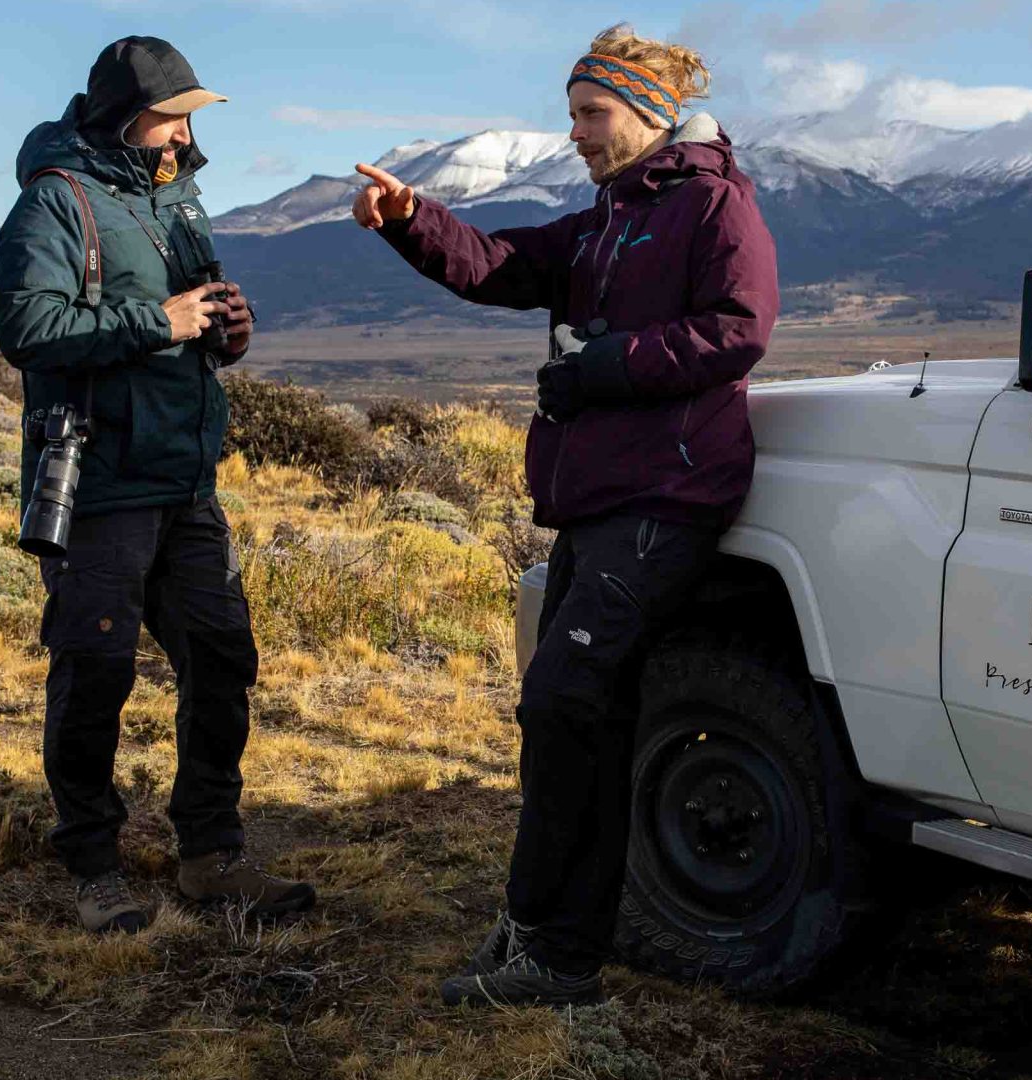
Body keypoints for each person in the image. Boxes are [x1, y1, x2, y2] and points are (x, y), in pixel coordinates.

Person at [352, 24, 778, 1006]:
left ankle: (556, 951)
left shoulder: (712, 206)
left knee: (563, 702)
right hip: (599, 503)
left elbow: (738, 327)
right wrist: (413, 217)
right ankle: (549, 939)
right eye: (574, 113)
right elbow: (500, 264)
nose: (577, 132)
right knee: (576, 715)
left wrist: (604, 365)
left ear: (647, 112)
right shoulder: (606, 219)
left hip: (666, 501)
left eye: (592, 113)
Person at [0, 36, 314, 935]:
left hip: (185, 480)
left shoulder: (178, 200)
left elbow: (186, 327)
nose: (182, 135)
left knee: (222, 660)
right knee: (94, 671)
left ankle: (211, 856)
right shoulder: (57, 202)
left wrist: (225, 330)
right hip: (100, 483)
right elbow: (27, 327)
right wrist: (158, 319)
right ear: (124, 116)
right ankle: (92, 863)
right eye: (172, 117)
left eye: (188, 121)